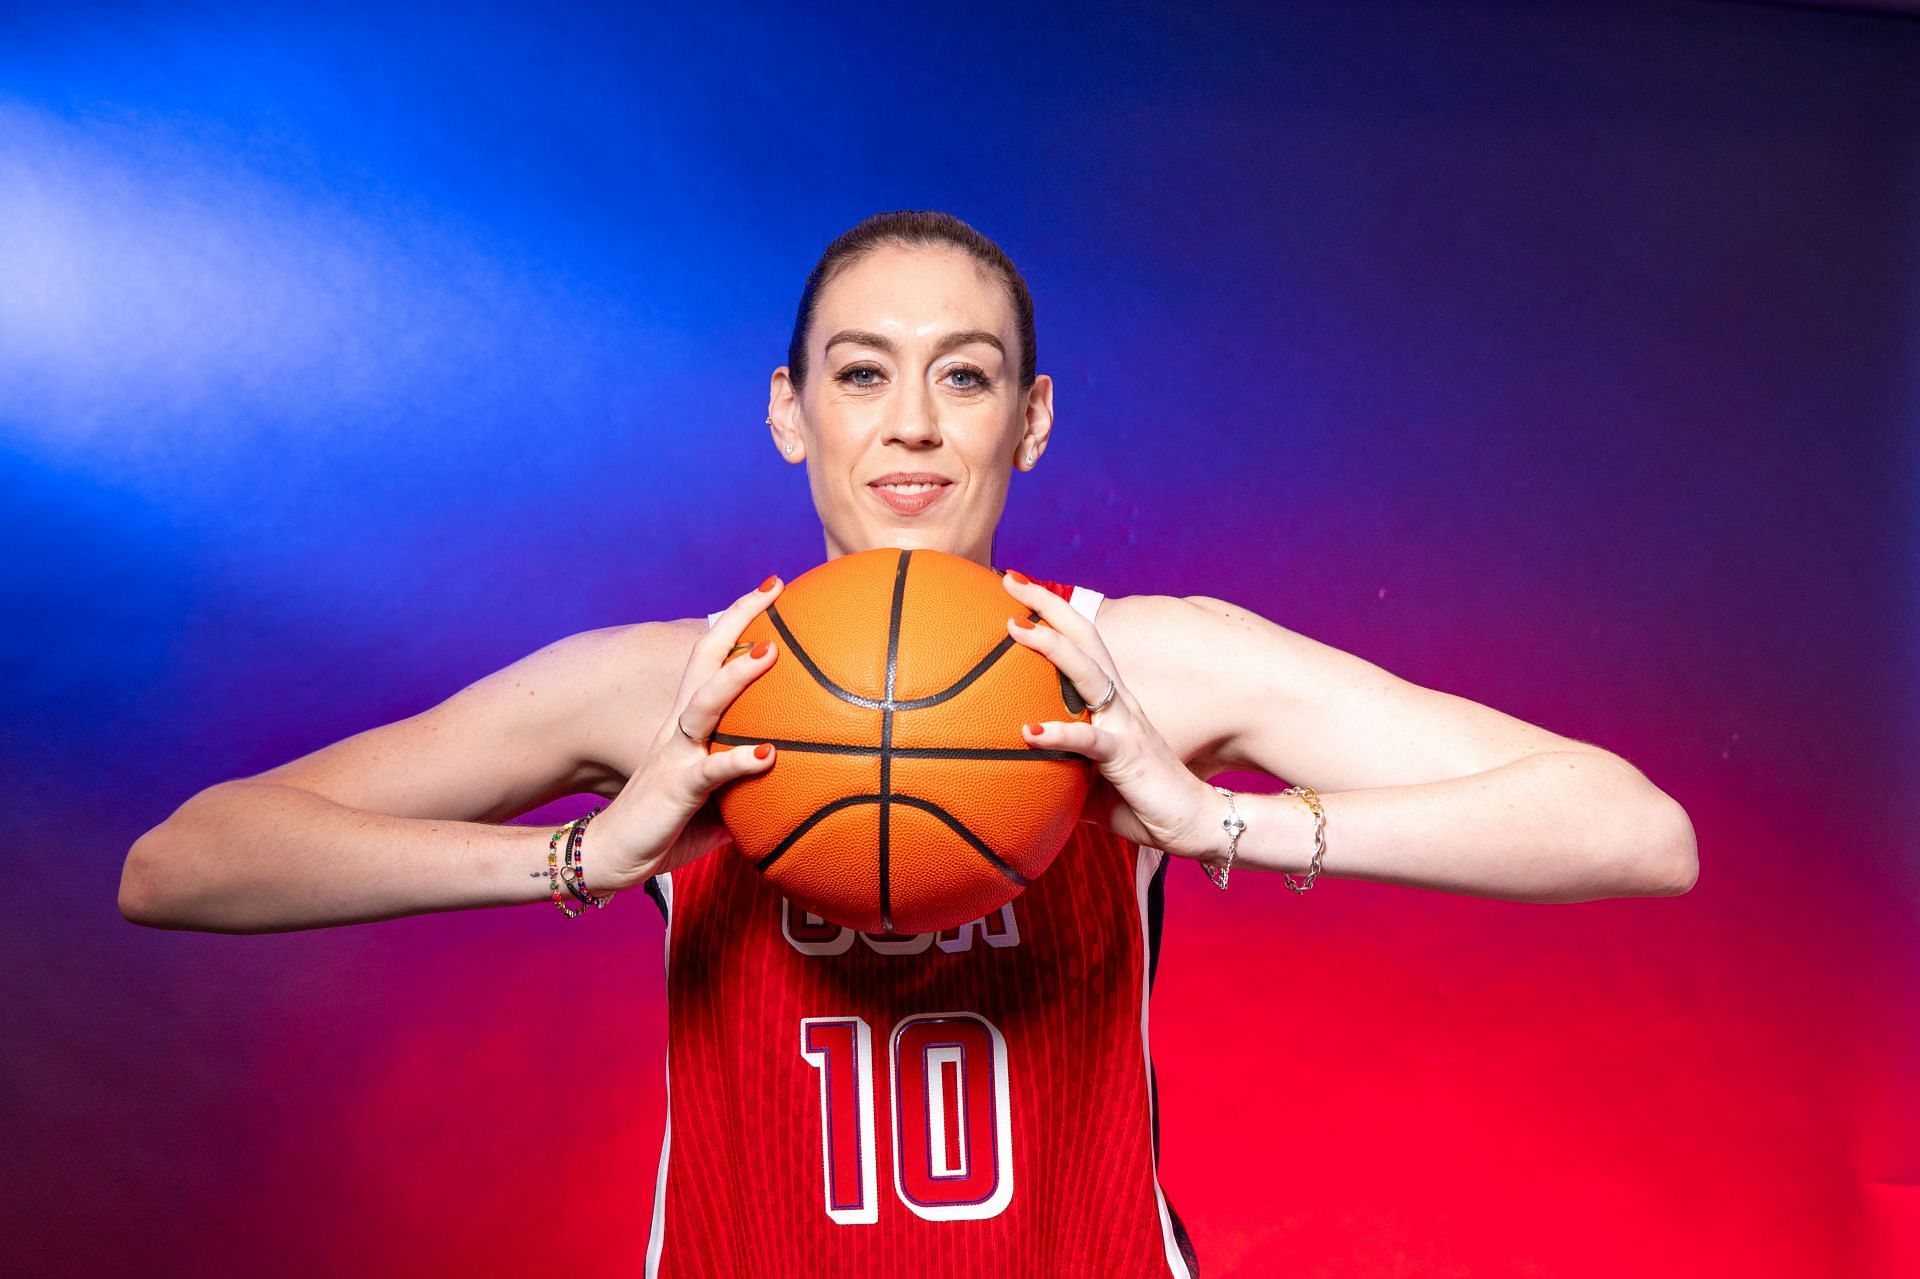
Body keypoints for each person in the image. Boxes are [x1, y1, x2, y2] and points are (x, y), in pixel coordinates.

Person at [120, 209, 1699, 1277]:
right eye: (861, 375)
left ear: (1033, 420)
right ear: (790, 411)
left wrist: (1218, 820)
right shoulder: (675, 687)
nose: (914, 425)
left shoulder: (1139, 661)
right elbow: (184, 866)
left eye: (968, 377)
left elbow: (1632, 831)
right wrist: (586, 859)